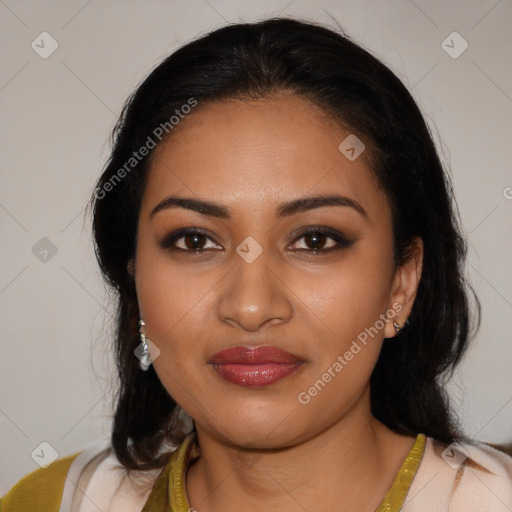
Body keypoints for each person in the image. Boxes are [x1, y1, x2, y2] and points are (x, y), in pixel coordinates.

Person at [2, 16, 511, 512]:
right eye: (195, 240)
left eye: (315, 240)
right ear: (133, 277)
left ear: (402, 282)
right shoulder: (56, 502)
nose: (250, 307)